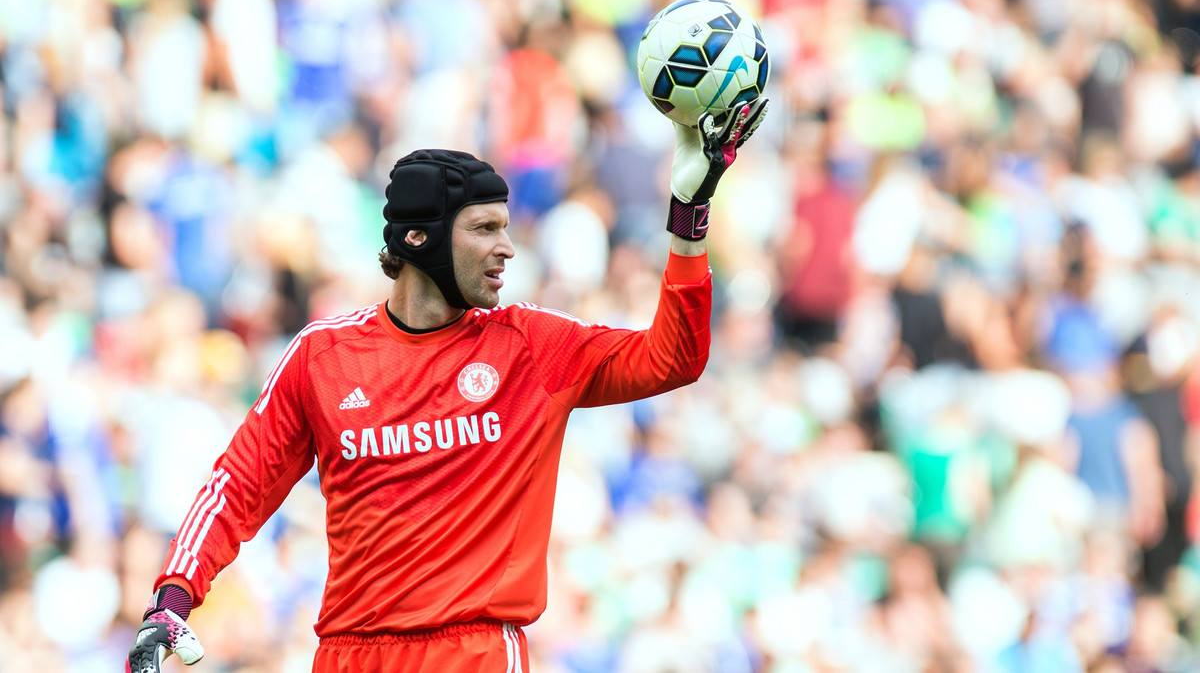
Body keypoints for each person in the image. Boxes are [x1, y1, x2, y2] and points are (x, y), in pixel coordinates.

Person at [126, 97, 768, 673]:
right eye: (484, 229)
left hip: (476, 654)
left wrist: (690, 216)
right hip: (350, 655)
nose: (507, 249)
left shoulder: (532, 345)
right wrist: (172, 600)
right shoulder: (324, 357)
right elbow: (238, 485)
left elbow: (674, 358)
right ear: (418, 239)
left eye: (506, 228)